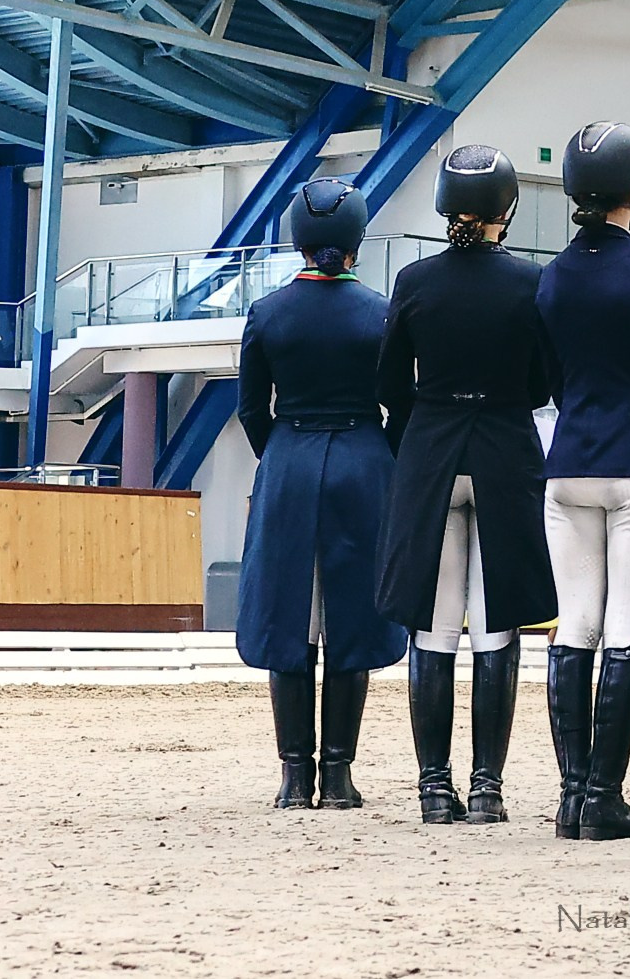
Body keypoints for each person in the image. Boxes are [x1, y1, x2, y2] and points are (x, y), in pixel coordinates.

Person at [378, 145, 559, 826]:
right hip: (504, 450)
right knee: (494, 622)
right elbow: (543, 379)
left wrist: (421, 426)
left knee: (433, 624)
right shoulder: (529, 281)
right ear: (505, 209)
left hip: (432, 449)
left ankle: (433, 786)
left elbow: (389, 381)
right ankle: (487, 787)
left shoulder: (416, 280)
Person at [234, 177, 407, 812]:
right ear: (356, 239)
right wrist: (378, 450)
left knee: (290, 617)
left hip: (289, 460)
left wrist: (280, 454)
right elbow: (402, 404)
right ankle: (338, 775)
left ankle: (292, 776)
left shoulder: (268, 313)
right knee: (352, 617)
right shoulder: (381, 311)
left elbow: (253, 407)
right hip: (363, 458)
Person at [536, 121, 630, 841]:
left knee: (575, 625)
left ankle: (570, 796)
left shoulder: (549, 277)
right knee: (626, 625)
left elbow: (548, 377)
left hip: (567, 464)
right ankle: (604, 797)